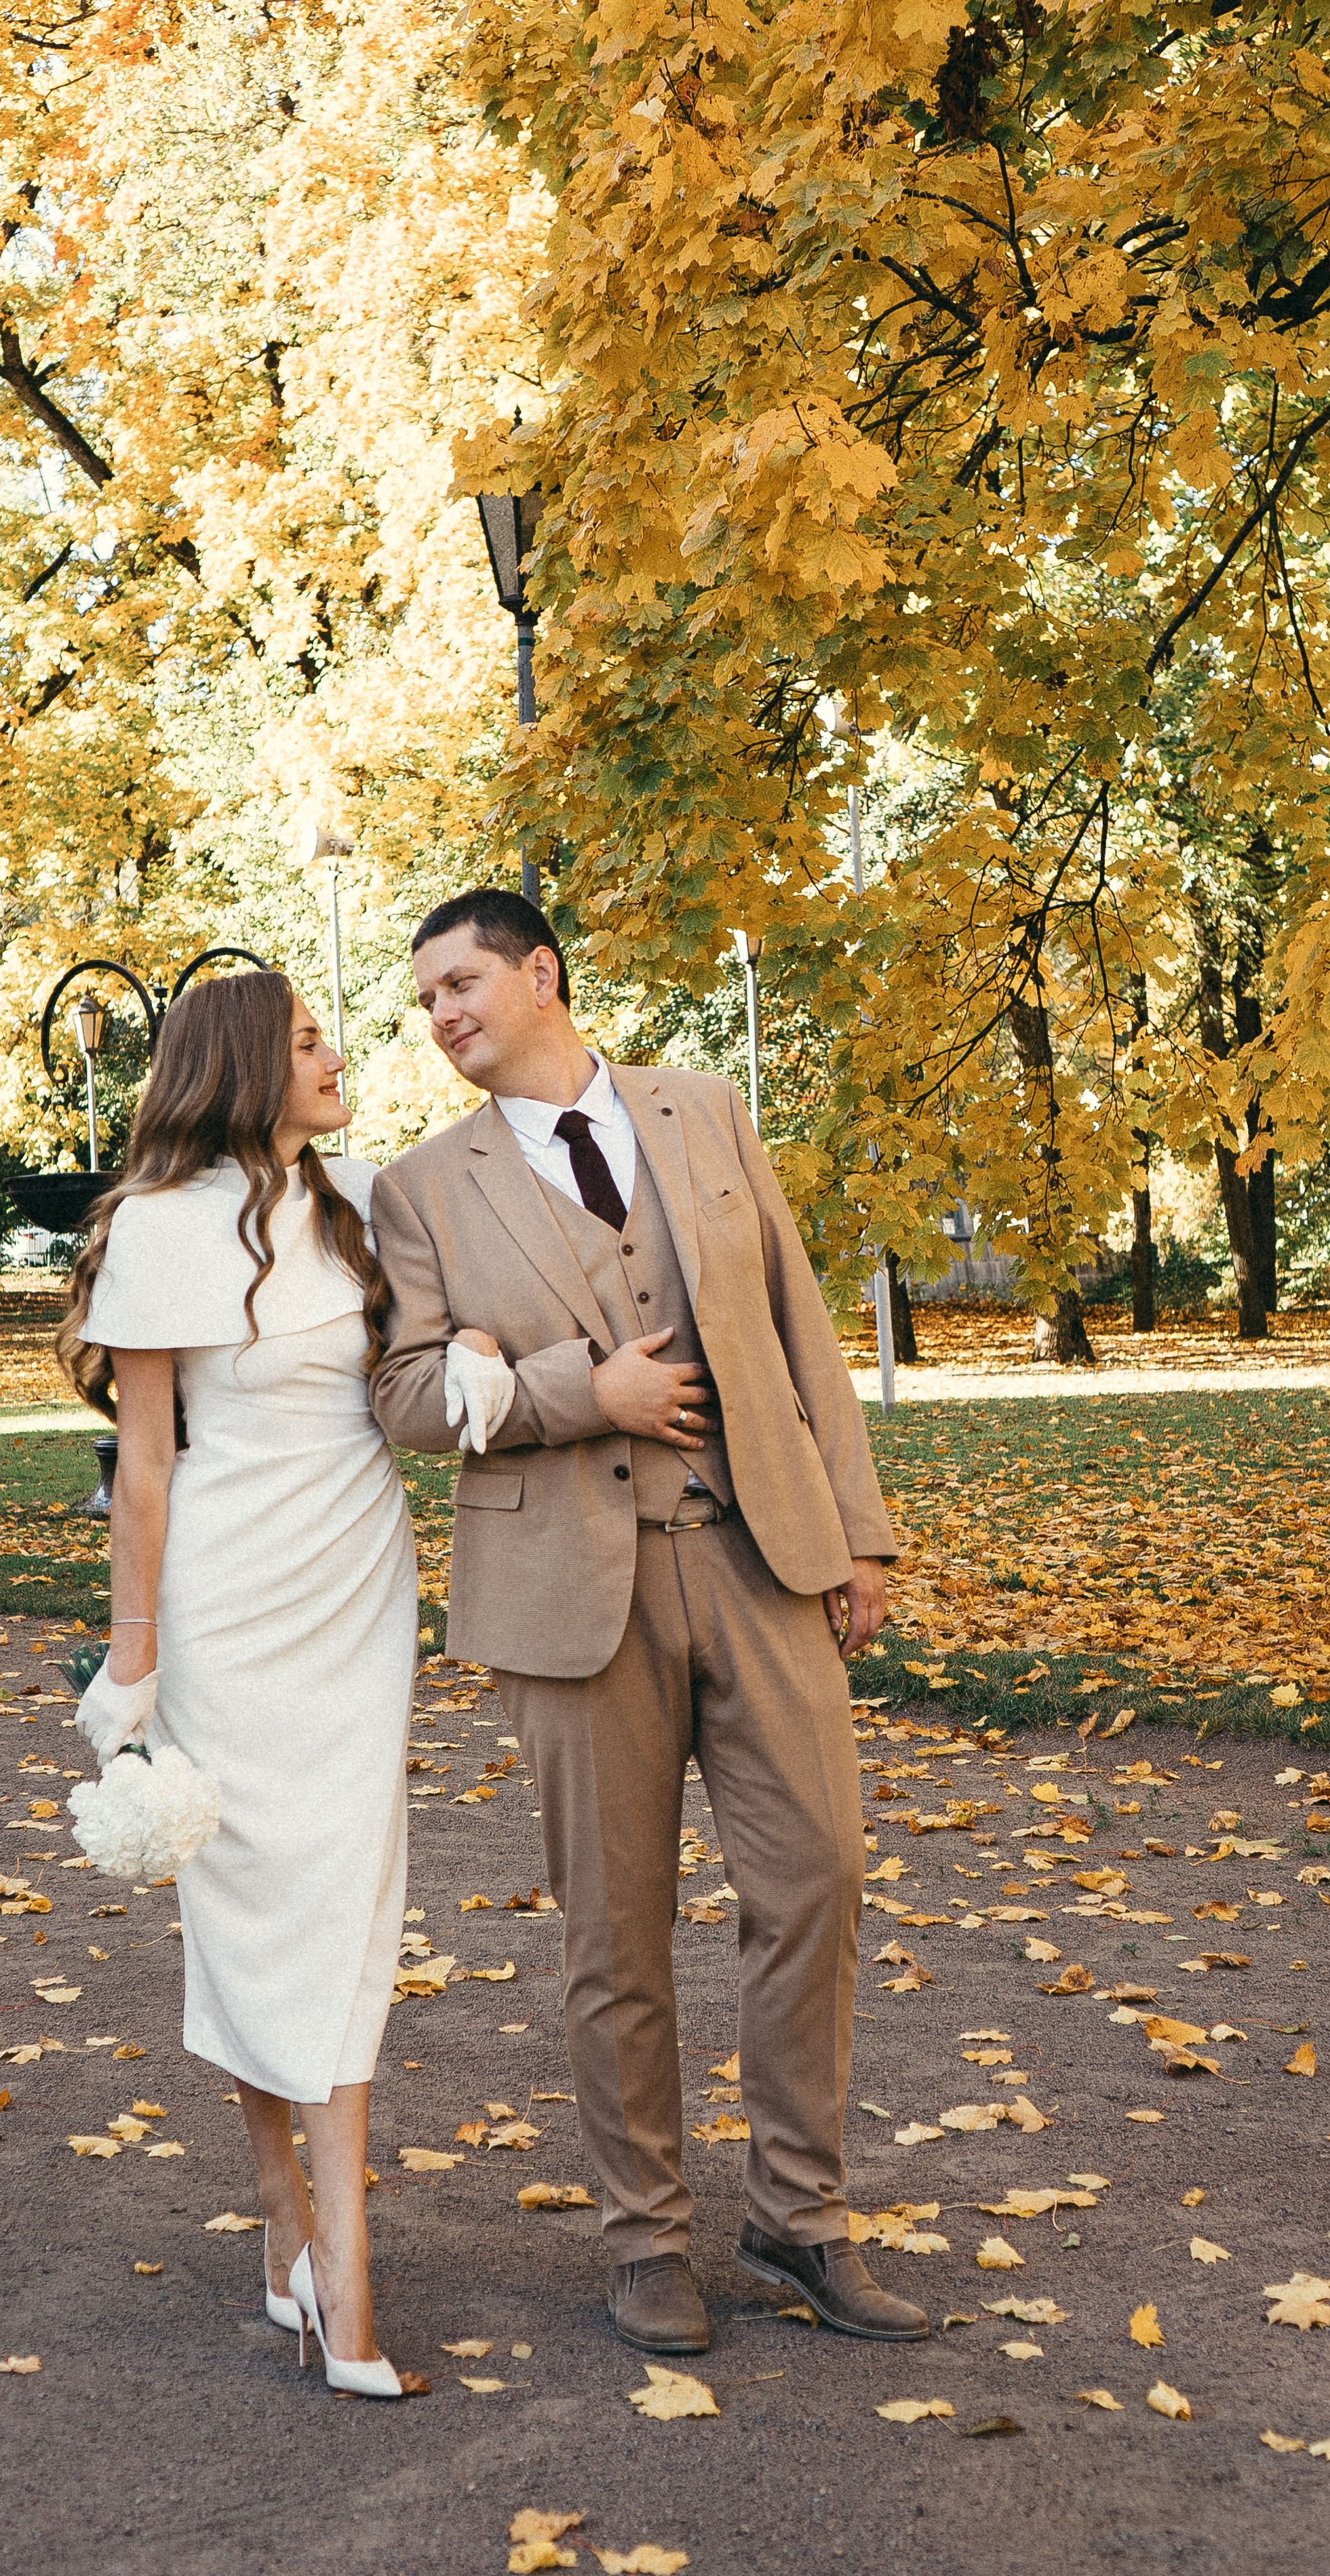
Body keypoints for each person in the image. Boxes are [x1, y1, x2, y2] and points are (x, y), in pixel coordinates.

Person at [368, 888, 928, 2354]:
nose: (439, 1017)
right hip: (567, 1598)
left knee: (815, 1881)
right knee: (615, 1936)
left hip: (756, 1557)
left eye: (460, 983)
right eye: (423, 1000)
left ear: (540, 973)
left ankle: (799, 2220)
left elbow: (798, 1323)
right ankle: (645, 2242)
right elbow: (408, 1397)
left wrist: (858, 1532)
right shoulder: (422, 1188)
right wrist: (575, 1392)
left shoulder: (702, 1111)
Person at [57, 970, 418, 2398]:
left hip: (355, 1588)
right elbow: (144, 1465)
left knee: (345, 1899)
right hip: (225, 1599)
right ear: (239, 1067)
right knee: (253, 1903)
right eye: (308, 1041)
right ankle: (303, 2237)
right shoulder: (154, 1227)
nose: (335, 1057)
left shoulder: (367, 1198)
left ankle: (331, 2258)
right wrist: (130, 1666)